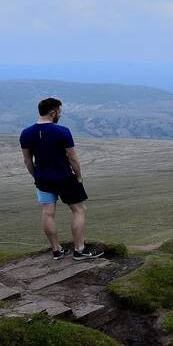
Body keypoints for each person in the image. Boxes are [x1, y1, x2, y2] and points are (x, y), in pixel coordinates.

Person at [19, 98, 103, 261]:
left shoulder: (26, 133)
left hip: (42, 179)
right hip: (64, 177)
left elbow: (27, 160)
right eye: (59, 111)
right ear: (52, 112)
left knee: (47, 213)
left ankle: (56, 250)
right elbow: (72, 158)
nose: (60, 114)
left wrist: (36, 176)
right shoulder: (62, 131)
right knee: (78, 210)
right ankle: (79, 250)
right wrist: (78, 175)